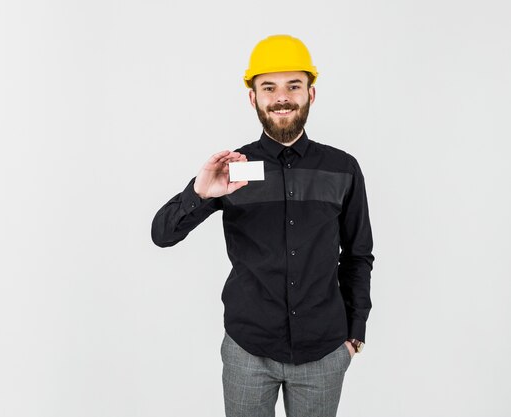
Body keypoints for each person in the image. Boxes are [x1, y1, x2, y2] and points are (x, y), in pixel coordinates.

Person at [151, 34, 374, 417]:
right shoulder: (232, 169)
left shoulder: (342, 168)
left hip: (323, 352)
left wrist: (354, 334)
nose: (282, 97)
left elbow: (357, 255)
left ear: (311, 94)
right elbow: (162, 235)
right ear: (253, 98)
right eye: (269, 87)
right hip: (247, 352)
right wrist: (200, 192)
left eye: (293, 86)